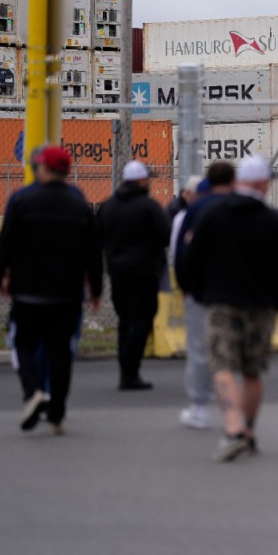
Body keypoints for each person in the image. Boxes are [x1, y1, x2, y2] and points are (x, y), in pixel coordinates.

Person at [185, 157, 278, 462]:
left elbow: (192, 259)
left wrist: (201, 292)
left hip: (221, 303)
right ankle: (248, 430)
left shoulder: (212, 214)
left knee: (222, 366)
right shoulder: (272, 220)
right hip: (260, 306)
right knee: (252, 371)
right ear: (262, 184)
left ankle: (232, 430)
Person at [0, 146, 103, 435]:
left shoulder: (22, 200)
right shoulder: (79, 203)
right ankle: (57, 412)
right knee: (61, 353)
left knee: (23, 344)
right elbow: (93, 251)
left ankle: (32, 393)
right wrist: (96, 288)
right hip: (67, 294)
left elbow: (6, 243)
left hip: (28, 291)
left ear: (45, 169)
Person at [97, 160, 172, 391]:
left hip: (118, 272)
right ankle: (130, 367)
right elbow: (165, 236)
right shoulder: (149, 206)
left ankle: (126, 372)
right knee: (142, 319)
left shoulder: (107, 206)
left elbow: (97, 237)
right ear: (141, 180)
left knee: (125, 320)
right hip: (144, 272)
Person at [173, 163, 236, 430]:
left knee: (200, 348)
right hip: (236, 290)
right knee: (231, 349)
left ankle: (199, 406)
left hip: (202, 290)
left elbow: (181, 253)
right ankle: (235, 406)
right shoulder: (241, 207)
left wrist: (185, 284)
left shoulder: (195, 210)